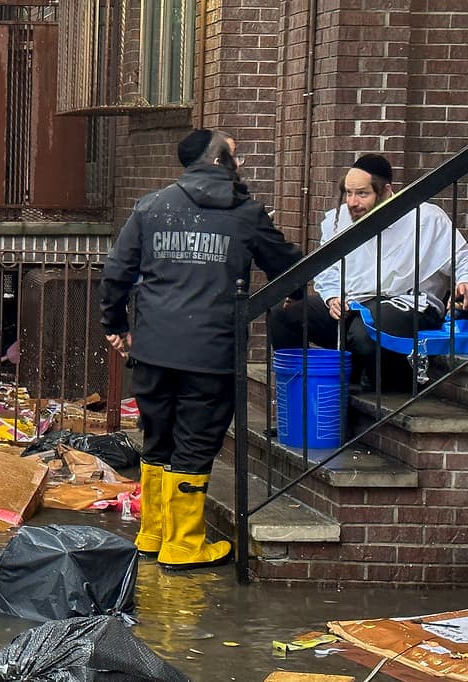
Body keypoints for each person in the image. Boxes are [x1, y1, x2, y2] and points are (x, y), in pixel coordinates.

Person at [99, 129, 303, 571]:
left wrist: (115, 326)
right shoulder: (246, 213)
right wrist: (294, 292)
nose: (241, 163)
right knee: (195, 443)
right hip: (212, 352)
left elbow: (116, 272)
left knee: (157, 440)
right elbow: (288, 265)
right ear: (216, 159)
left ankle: (152, 534)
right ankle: (185, 545)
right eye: (234, 154)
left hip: (153, 349)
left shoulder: (151, 208)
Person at [269, 154, 468, 392]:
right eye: (348, 192)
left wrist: (465, 280)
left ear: (386, 191)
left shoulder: (426, 218)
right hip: (351, 304)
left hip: (409, 303)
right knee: (284, 318)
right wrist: (332, 296)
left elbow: (461, 257)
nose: (352, 202)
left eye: (362, 193)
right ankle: (299, 394)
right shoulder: (339, 219)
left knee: (365, 330)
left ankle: (393, 383)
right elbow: (326, 267)